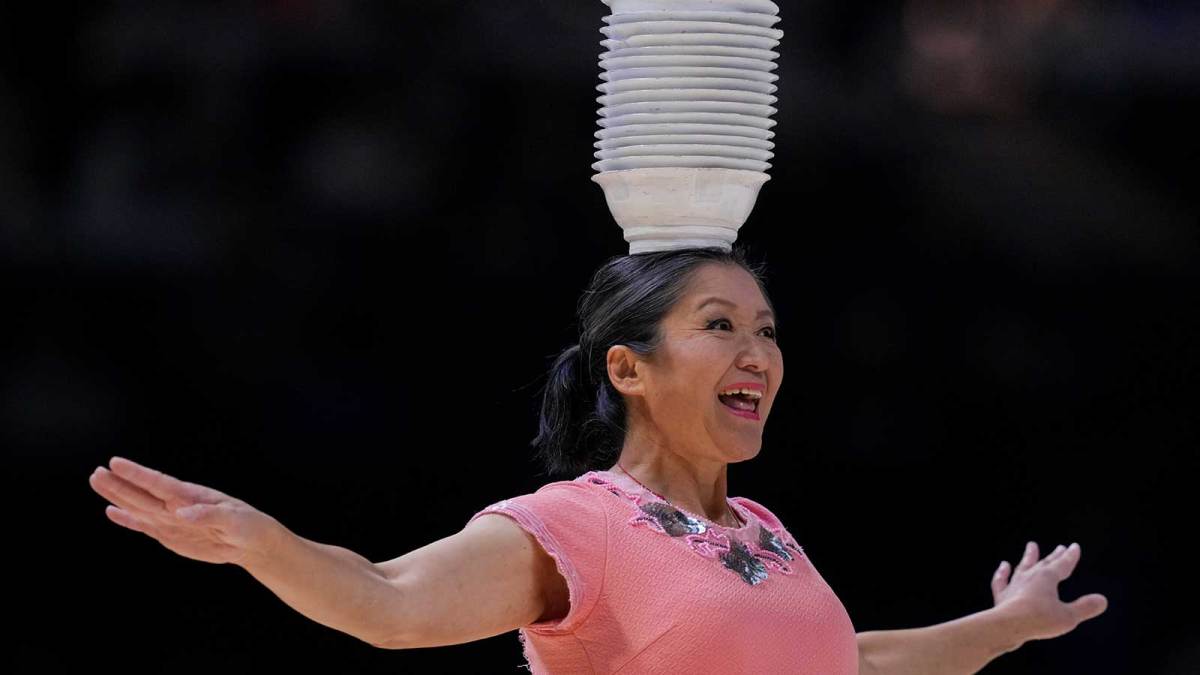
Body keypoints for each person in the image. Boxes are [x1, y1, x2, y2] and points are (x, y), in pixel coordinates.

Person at [87, 245, 1108, 674]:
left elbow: (848, 666)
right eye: (719, 325)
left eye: (767, 328)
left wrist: (1005, 628)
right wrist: (256, 541)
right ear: (628, 366)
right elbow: (390, 601)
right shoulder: (573, 523)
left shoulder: (762, 534)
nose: (757, 352)